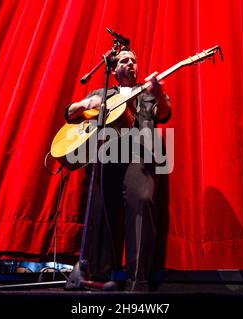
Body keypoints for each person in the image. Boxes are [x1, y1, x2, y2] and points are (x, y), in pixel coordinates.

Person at [64, 47, 171, 291]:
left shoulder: (146, 94)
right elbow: (70, 115)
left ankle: (137, 279)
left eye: (134, 60)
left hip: (137, 157)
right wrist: (86, 103)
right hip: (106, 156)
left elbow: (163, 114)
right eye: (124, 60)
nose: (131, 63)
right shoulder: (101, 92)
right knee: (103, 215)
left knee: (141, 205)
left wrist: (161, 94)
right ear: (113, 70)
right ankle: (101, 278)